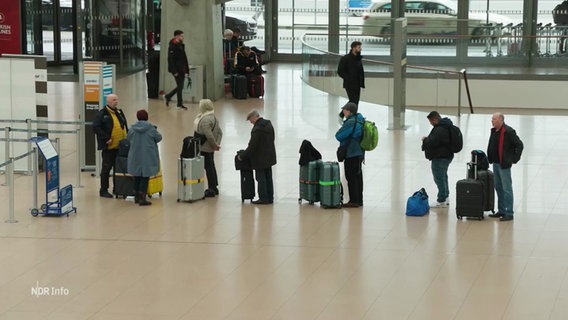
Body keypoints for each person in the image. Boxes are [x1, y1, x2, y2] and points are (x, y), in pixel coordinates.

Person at [486, 112, 524, 221]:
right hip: (496, 163)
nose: (492, 121)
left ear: (501, 120)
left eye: (494, 119)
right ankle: (501, 210)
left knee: (506, 188)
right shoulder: (494, 131)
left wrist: (514, 159)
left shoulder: (508, 131)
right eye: (492, 119)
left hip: (504, 165)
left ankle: (509, 212)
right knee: (498, 187)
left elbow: (519, 145)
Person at [92, 93, 128, 198]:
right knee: (106, 169)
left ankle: (118, 188)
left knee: (119, 169)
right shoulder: (102, 114)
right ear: (108, 102)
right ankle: (103, 190)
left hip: (120, 147)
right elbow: (96, 127)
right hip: (109, 148)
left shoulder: (119, 112)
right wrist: (106, 138)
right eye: (113, 100)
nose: (116, 101)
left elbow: (124, 125)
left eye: (117, 99)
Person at [238, 110, 277, 205]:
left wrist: (242, 156)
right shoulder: (268, 124)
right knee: (268, 177)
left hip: (260, 159)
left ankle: (263, 198)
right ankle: (270, 197)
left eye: (250, 120)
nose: (251, 122)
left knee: (261, 178)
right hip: (269, 156)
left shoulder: (257, 129)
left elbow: (252, 147)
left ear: (254, 117)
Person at [127, 110, 162, 206]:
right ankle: (143, 198)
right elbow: (159, 138)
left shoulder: (132, 128)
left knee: (137, 175)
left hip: (135, 155)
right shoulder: (151, 128)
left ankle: (136, 197)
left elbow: (128, 138)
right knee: (145, 177)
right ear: (147, 117)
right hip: (148, 155)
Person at [421, 111, 454, 208]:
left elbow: (432, 142)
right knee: (443, 176)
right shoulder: (446, 126)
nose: (430, 123)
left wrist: (425, 140)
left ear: (435, 119)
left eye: (431, 121)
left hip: (440, 157)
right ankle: (446, 197)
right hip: (447, 156)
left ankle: (441, 200)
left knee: (439, 178)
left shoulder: (439, 129)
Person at [335, 102, 365, 208]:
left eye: (345, 110)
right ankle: (359, 200)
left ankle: (354, 201)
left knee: (351, 176)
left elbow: (338, 136)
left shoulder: (350, 122)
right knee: (358, 176)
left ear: (349, 111)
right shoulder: (360, 119)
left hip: (351, 153)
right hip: (360, 152)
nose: (343, 111)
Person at [194, 99, 223, 197]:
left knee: (208, 168)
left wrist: (214, 145)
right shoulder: (214, 117)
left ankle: (211, 188)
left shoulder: (205, 120)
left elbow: (209, 135)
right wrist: (217, 145)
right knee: (211, 166)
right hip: (210, 148)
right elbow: (220, 133)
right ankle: (214, 186)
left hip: (204, 148)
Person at [164, 30, 188, 110]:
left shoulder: (180, 45)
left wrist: (186, 69)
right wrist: (174, 71)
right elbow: (170, 60)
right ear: (176, 36)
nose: (183, 37)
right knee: (180, 86)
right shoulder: (172, 46)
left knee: (180, 86)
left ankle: (170, 97)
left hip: (182, 69)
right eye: (181, 36)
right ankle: (178, 104)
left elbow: (184, 58)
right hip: (177, 70)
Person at [337, 41, 365, 105]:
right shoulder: (345, 58)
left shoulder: (358, 59)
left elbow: (361, 71)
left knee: (356, 101)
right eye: (359, 47)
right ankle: (345, 113)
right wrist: (349, 78)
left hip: (357, 84)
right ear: (353, 48)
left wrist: (362, 83)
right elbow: (340, 71)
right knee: (353, 100)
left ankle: (344, 113)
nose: (360, 49)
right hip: (349, 84)